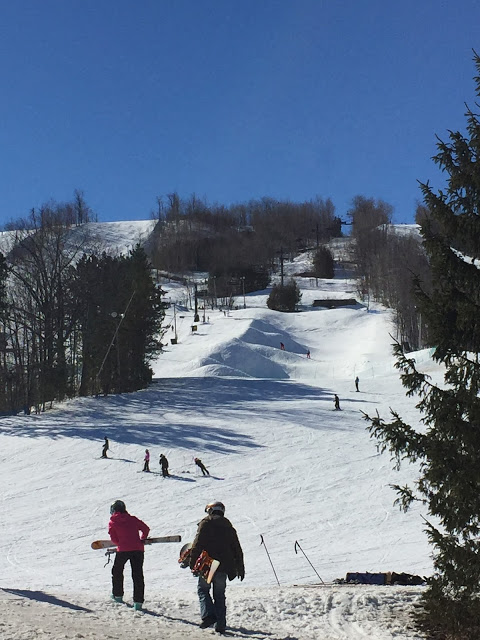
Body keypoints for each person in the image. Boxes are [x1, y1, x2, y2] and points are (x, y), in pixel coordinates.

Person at [190, 501, 244, 634]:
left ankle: (208, 615)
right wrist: (240, 567)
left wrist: (192, 561)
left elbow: (197, 544)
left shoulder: (206, 523)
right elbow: (237, 549)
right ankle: (220, 624)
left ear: (210, 510)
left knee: (203, 590)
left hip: (208, 565)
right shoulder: (228, 526)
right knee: (219, 595)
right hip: (224, 566)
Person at [108, 500, 150, 611]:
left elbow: (113, 538)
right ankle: (138, 602)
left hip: (123, 550)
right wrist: (142, 539)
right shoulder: (133, 519)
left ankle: (118, 595)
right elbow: (146, 529)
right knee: (137, 575)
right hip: (138, 549)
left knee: (117, 571)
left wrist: (120, 543)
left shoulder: (113, 522)